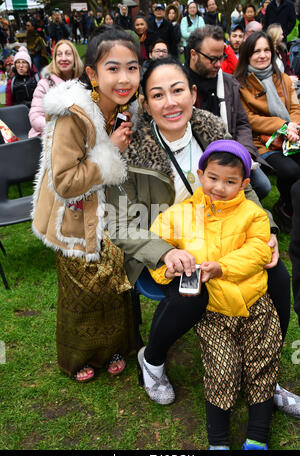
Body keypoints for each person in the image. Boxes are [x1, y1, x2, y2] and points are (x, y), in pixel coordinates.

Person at [107, 57, 286, 408]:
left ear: (192, 93)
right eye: (157, 95)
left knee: (276, 276)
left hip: (226, 235)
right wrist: (163, 251)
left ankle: (265, 372)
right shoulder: (129, 150)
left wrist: (270, 228)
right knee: (193, 292)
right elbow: (118, 223)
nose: (170, 103)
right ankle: (152, 359)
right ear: (144, 102)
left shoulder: (212, 131)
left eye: (177, 91)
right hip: (166, 243)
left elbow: (245, 189)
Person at [149, 140, 282, 450]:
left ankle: (257, 437)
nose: (219, 187)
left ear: (245, 183)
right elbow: (158, 246)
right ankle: (219, 442)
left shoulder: (254, 214)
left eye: (230, 181)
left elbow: (258, 251)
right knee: (222, 368)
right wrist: (166, 267)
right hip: (213, 311)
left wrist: (221, 267)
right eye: (212, 178)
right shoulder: (179, 214)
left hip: (255, 304)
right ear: (200, 174)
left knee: (263, 361)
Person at [31, 26, 140, 382]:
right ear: (92, 72)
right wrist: (111, 153)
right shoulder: (73, 115)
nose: (124, 78)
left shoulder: (125, 107)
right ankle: (79, 358)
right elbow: (63, 183)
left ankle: (114, 349)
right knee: (82, 293)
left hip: (111, 216)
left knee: (112, 287)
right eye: (113, 68)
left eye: (132, 67)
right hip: (74, 220)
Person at [186, 25, 272, 200]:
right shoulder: (178, 84)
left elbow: (241, 123)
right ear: (193, 54)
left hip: (231, 152)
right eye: (212, 59)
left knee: (263, 187)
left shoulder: (228, 82)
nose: (218, 64)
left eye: (221, 57)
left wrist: (244, 152)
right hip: (194, 155)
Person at [234, 31, 300, 233]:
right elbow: (249, 119)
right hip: (263, 143)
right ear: (247, 55)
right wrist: (282, 125)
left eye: (266, 50)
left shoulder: (284, 79)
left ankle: (290, 207)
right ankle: (285, 208)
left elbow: (296, 108)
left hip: (292, 137)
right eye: (256, 51)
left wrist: (294, 127)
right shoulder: (241, 84)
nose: (262, 55)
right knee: (292, 171)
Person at [29, 40, 83, 138]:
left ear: (75, 58)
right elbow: (35, 117)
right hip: (49, 138)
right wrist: (60, 129)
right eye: (59, 54)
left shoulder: (83, 84)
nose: (63, 58)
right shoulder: (44, 84)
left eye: (68, 54)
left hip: (78, 137)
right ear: (54, 59)